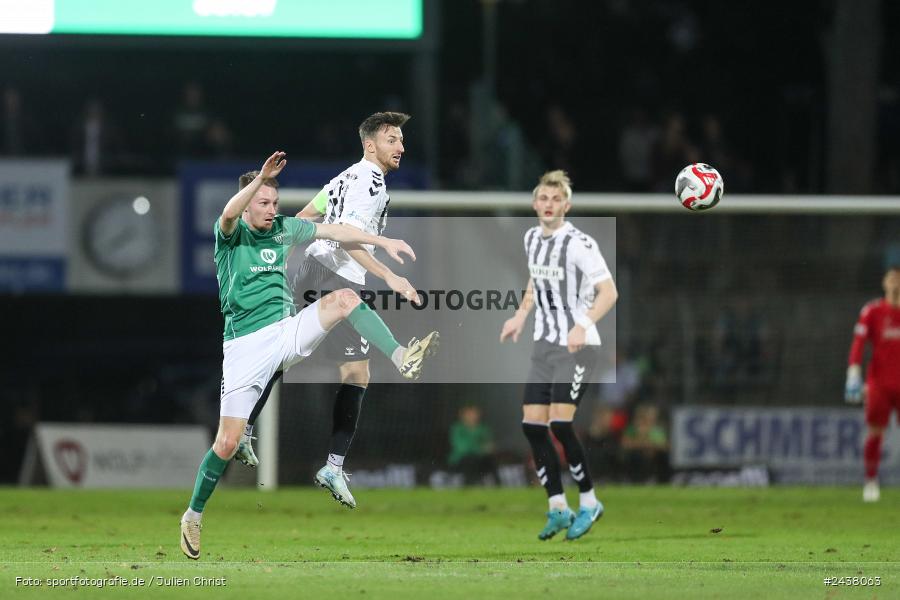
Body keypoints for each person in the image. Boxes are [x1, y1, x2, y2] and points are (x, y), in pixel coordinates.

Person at [179, 151, 438, 560]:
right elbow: (230, 213)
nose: (269, 210)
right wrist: (260, 178)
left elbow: (337, 230)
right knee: (224, 444)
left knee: (346, 298)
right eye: (262, 203)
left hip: (286, 333)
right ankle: (193, 514)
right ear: (248, 202)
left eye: (273, 203)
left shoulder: (284, 230)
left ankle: (401, 354)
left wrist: (383, 245)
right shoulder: (230, 235)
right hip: (244, 348)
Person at [234, 112, 428, 512]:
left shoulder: (344, 177)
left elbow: (306, 216)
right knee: (348, 356)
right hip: (336, 275)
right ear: (370, 145)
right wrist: (390, 275)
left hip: (311, 269)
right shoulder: (369, 184)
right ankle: (400, 356)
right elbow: (349, 241)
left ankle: (249, 431)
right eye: (393, 139)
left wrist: (275, 264)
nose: (401, 147)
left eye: (402, 140)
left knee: (340, 368)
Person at [499, 170, 618, 541]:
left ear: (566, 205)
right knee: (532, 426)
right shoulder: (532, 237)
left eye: (556, 200)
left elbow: (609, 292)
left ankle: (590, 501)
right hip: (544, 345)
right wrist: (520, 314)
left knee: (560, 425)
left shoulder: (579, 244)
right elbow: (536, 280)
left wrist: (582, 324)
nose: (549, 205)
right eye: (544, 199)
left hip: (578, 346)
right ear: (536, 204)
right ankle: (557, 508)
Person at [845, 265, 900, 502]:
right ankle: (870, 481)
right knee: (876, 431)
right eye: (892, 279)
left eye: (899, 279)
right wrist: (853, 373)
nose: (895, 283)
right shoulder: (872, 311)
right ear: (884, 283)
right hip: (879, 383)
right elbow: (858, 342)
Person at [448, 405, 496, 484]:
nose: (473, 416)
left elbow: (489, 446)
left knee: (490, 462)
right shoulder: (457, 428)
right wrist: (480, 448)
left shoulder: (483, 428)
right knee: (470, 460)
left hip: (480, 459)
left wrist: (485, 448)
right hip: (461, 459)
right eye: (469, 413)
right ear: (463, 415)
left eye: (475, 413)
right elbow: (462, 448)